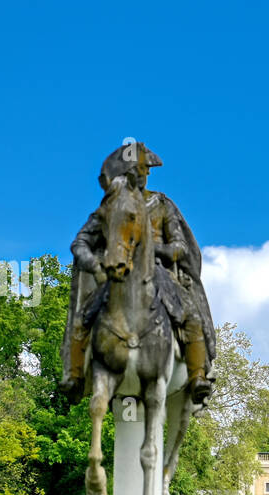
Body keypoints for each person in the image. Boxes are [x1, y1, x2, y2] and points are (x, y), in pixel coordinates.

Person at [59, 142, 218, 406]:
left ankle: (197, 374)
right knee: (84, 317)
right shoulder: (111, 207)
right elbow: (80, 243)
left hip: (157, 271)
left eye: (145, 169)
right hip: (116, 273)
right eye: (139, 168)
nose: (145, 174)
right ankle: (74, 376)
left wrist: (154, 248)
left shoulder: (161, 204)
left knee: (189, 312)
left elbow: (179, 245)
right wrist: (94, 265)